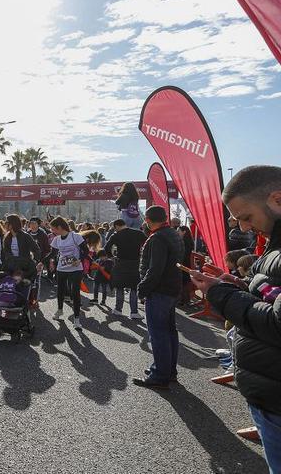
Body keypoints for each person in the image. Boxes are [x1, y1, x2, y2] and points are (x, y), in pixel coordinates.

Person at [189, 165, 281, 473]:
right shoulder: (273, 241)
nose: (242, 228)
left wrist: (221, 295)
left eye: (246, 217)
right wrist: (233, 284)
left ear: (277, 199)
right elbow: (269, 292)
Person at [132, 205, 184, 389]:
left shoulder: (158, 238)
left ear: (148, 219)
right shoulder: (173, 234)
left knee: (158, 333)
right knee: (169, 332)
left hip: (160, 290)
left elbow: (155, 269)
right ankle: (168, 371)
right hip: (172, 288)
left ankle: (160, 375)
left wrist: (142, 289)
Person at [48, 217, 89, 330]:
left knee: (75, 293)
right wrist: (41, 262)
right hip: (61, 268)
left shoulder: (75, 236)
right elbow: (52, 253)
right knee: (60, 291)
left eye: (53, 229)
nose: (52, 231)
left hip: (76, 269)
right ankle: (60, 310)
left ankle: (77, 320)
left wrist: (79, 259)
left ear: (60, 227)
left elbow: (86, 251)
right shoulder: (56, 239)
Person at [104, 219, 147, 319]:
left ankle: (118, 309)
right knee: (133, 287)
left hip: (120, 262)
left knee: (120, 286)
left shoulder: (116, 235)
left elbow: (107, 248)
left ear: (116, 226)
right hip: (135, 263)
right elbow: (148, 243)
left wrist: (112, 256)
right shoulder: (138, 233)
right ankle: (134, 312)